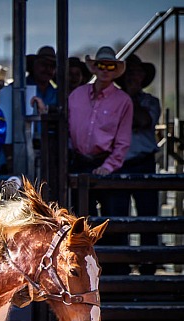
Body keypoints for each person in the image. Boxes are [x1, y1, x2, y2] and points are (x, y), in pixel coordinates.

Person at [68, 46, 133, 274]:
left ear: (115, 70)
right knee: (76, 219)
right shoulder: (76, 95)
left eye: (110, 66)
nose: (105, 70)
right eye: (102, 65)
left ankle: (116, 272)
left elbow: (123, 140)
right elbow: (65, 127)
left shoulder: (123, 100)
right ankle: (77, 270)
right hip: (79, 161)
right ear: (94, 67)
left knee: (111, 221)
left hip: (106, 163)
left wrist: (108, 166)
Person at [116, 53, 161, 275]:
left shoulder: (151, 102)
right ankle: (120, 265)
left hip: (143, 162)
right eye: (130, 73)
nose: (134, 76)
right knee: (118, 216)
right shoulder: (113, 102)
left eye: (138, 72)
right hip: (119, 163)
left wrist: (130, 96)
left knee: (148, 216)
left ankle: (149, 264)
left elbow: (144, 120)